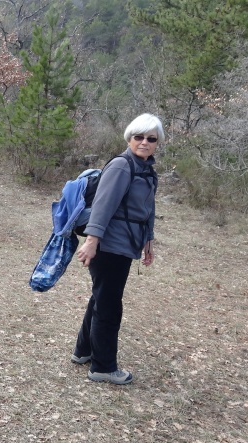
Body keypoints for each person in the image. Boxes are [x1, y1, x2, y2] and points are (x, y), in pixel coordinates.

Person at [71, 113, 162, 385]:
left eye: (151, 138)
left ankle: (83, 350)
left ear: (158, 142)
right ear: (129, 138)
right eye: (139, 137)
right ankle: (103, 367)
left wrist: (149, 238)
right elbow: (103, 205)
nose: (144, 142)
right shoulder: (122, 166)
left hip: (127, 243)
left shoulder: (146, 170)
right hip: (110, 245)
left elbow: (147, 208)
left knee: (101, 298)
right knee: (109, 306)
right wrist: (91, 241)